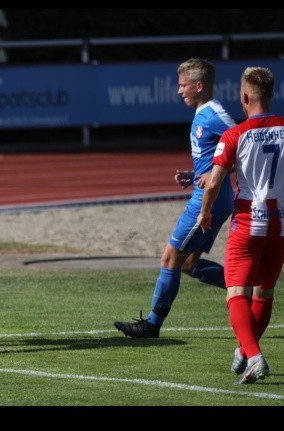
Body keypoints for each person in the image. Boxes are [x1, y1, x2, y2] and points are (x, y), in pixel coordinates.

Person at [114, 58, 236, 339]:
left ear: (199, 85)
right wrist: (196, 175)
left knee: (170, 258)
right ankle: (251, 291)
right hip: (213, 194)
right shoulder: (203, 113)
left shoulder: (214, 113)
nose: (179, 91)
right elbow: (215, 158)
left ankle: (152, 325)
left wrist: (217, 175)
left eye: (183, 85)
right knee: (189, 264)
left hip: (210, 200)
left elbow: (245, 145)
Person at [197, 66, 284, 384]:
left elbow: (214, 182)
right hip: (280, 226)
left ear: (245, 97)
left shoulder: (235, 135)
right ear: (271, 95)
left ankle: (256, 356)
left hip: (248, 223)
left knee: (236, 294)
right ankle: (246, 350)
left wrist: (205, 212)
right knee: (264, 293)